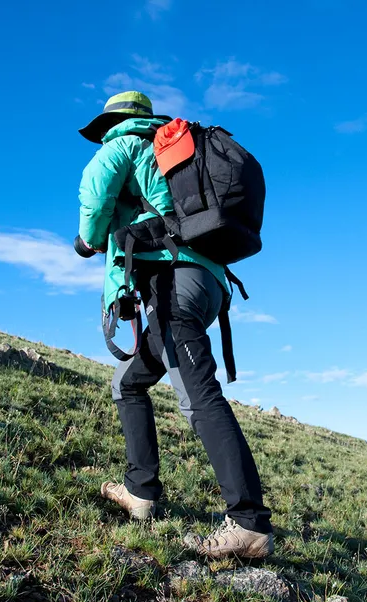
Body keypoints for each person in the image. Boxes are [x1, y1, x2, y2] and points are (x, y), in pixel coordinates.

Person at [76, 91, 273, 559]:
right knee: (128, 383)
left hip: (172, 282)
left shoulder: (120, 147)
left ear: (113, 122)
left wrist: (87, 242)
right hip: (207, 283)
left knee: (198, 396)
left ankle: (248, 522)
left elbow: (93, 203)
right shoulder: (174, 152)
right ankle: (141, 492)